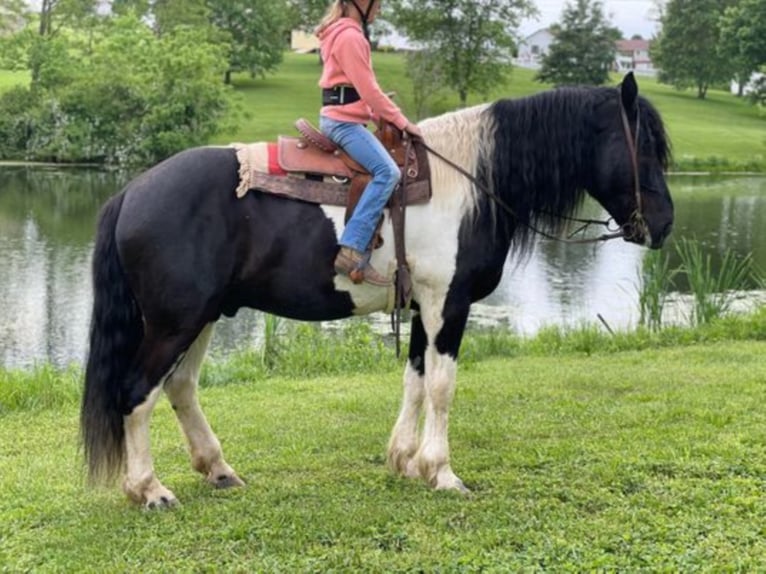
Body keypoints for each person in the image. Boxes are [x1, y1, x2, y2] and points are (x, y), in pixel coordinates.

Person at [316, 0, 423, 287]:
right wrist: (403, 122)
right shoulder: (351, 37)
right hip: (344, 124)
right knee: (388, 172)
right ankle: (351, 249)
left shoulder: (339, 31)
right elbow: (370, 90)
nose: (380, 8)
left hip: (344, 117)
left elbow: (360, 91)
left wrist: (378, 116)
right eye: (377, 3)